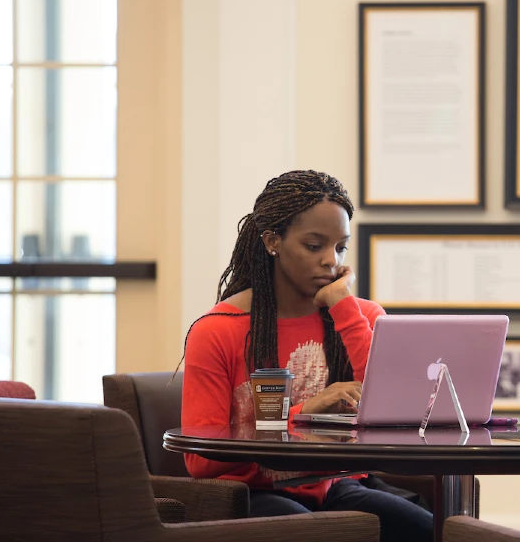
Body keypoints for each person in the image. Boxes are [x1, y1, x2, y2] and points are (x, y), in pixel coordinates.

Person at [179, 170, 433, 542]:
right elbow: (200, 461)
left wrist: (344, 309)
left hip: (333, 486)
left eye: (340, 247)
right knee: (323, 534)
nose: (331, 260)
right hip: (251, 495)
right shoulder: (217, 330)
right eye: (314, 246)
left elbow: (395, 413)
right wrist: (306, 413)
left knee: (433, 530)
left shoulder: (362, 317)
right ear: (272, 241)